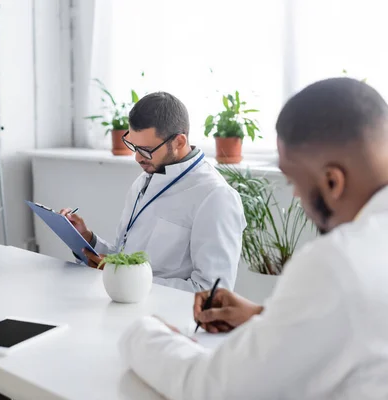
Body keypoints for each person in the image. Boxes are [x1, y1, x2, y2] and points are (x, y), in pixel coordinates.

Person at [119, 78, 388, 399]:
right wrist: (264, 318)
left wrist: (140, 332)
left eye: (294, 182)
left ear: (332, 182)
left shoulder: (335, 262)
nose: (298, 197)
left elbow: (213, 387)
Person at [61, 92, 245, 291]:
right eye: (133, 146)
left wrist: (123, 275)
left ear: (179, 142)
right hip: (125, 305)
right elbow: (126, 260)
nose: (137, 158)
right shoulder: (145, 179)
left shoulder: (215, 197)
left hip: (170, 318)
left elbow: (213, 293)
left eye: (146, 149)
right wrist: (88, 239)